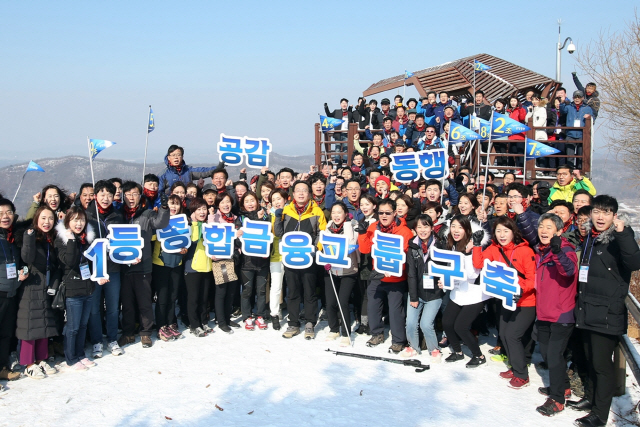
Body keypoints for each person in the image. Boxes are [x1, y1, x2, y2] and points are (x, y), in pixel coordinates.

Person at [569, 195, 640, 426]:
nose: (600, 216)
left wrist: (623, 233)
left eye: (606, 212)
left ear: (614, 216)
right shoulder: (591, 236)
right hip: (587, 308)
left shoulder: (618, 238)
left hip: (607, 312)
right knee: (590, 360)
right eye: (597, 211)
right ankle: (590, 399)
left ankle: (600, 414)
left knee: (602, 365)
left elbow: (634, 262)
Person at [472, 217, 536, 387]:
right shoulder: (494, 249)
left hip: (525, 302)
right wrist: (477, 245)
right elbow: (478, 263)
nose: (502, 235)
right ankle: (515, 367)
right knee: (504, 334)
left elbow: (532, 279)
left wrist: (521, 290)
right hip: (505, 299)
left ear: (513, 232)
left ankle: (522, 374)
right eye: (498, 231)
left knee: (512, 335)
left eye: (506, 231)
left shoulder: (525, 251)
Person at [533, 213, 579, 417]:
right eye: (541, 226)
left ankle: (558, 399)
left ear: (559, 232)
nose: (543, 230)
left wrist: (558, 251)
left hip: (561, 313)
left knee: (554, 354)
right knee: (546, 353)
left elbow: (568, 271)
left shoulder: (565, 250)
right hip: (543, 311)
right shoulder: (540, 252)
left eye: (549, 227)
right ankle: (564, 386)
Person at [117, 181, 170, 349]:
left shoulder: (146, 214)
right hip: (124, 267)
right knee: (127, 303)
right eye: (128, 194)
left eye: (135, 194)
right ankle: (128, 332)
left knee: (144, 302)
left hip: (143, 266)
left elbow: (161, 223)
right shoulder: (119, 215)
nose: (131, 198)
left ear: (141, 196)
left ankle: (146, 332)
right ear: (123, 196)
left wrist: (164, 208)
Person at [357, 199, 413, 353]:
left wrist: (394, 269)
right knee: (373, 306)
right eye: (380, 213)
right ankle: (376, 333)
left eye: (387, 213)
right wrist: (362, 234)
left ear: (395, 213)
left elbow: (406, 257)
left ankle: (398, 340)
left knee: (395, 311)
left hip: (396, 278)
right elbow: (365, 249)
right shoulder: (373, 227)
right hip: (377, 275)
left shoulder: (404, 231)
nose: (383, 215)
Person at [274, 180, 327, 339]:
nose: (301, 193)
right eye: (298, 190)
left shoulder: (317, 211)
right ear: (293, 194)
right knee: (293, 292)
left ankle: (310, 323)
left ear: (309, 194)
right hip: (290, 259)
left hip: (308, 259)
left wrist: (315, 249)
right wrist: (277, 217)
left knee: (310, 292)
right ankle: (293, 323)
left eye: (304, 190)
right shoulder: (286, 210)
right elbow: (279, 233)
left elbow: (322, 234)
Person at [16, 206, 60, 379]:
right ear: (36, 219)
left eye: (50, 218)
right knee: (29, 325)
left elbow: (56, 265)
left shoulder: (50, 239)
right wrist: (28, 237)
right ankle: (28, 363)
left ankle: (41, 358)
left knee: (44, 324)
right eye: (43, 218)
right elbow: (27, 257)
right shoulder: (31, 236)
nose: (46, 222)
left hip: (46, 286)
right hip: (31, 286)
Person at [440, 215, 490, 367]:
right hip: (457, 292)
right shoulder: (452, 245)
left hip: (474, 294)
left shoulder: (473, 246)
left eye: (460, 227)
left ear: (467, 229)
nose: (456, 230)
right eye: (453, 226)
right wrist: (446, 279)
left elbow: (472, 275)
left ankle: (478, 356)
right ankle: (457, 351)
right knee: (447, 323)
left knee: (460, 327)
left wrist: (450, 279)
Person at [85, 180, 125, 357]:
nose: (106, 198)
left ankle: (112, 338)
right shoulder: (87, 216)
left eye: (109, 194)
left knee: (113, 306)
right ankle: (96, 341)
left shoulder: (117, 215)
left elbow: (124, 241)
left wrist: (130, 255)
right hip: (94, 268)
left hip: (113, 268)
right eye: (102, 194)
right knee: (94, 307)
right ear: (95, 196)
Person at [55, 206, 97, 371]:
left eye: (81, 220)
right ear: (68, 222)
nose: (78, 223)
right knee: (72, 326)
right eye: (74, 220)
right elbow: (70, 262)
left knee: (83, 325)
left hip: (88, 287)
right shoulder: (62, 240)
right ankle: (71, 358)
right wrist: (71, 240)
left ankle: (80, 354)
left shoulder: (87, 239)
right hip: (72, 289)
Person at [403, 215, 443, 361]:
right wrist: (413, 297)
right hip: (417, 292)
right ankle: (414, 347)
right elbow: (411, 274)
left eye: (425, 226)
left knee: (426, 324)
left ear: (432, 228)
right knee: (411, 323)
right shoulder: (412, 246)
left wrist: (443, 283)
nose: (422, 230)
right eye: (419, 227)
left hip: (434, 294)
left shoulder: (440, 245)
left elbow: (446, 268)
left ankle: (434, 349)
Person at [322, 202, 359, 347]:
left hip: (348, 270)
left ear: (345, 213)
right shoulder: (328, 227)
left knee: (343, 301)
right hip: (332, 269)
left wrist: (347, 225)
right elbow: (325, 245)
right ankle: (334, 328)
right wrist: (325, 257)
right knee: (330, 302)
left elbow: (351, 243)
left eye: (339, 212)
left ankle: (346, 332)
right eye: (334, 212)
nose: (336, 216)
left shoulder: (352, 226)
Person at [152, 195, 187, 342]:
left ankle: (171, 322)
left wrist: (185, 248)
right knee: (163, 296)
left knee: (173, 296)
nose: (174, 207)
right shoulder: (159, 220)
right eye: (171, 204)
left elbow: (186, 240)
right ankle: (161, 325)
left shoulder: (183, 222)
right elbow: (152, 237)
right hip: (161, 263)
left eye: (177, 204)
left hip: (176, 263)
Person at [0, 199, 27, 381]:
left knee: (6, 334)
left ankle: (2, 367)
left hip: (12, 293)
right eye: (1, 213)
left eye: (9, 212)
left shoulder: (13, 238)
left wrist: (22, 273)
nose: (5, 217)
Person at [235, 192, 270, 331]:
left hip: (262, 261)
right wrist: (237, 236)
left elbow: (268, 236)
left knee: (261, 290)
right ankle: (247, 316)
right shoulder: (240, 218)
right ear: (243, 204)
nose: (250, 203)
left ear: (258, 202)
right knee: (247, 290)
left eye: (252, 200)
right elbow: (237, 241)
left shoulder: (266, 216)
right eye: (247, 201)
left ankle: (260, 315)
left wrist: (267, 251)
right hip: (246, 262)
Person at [183, 198, 214, 337]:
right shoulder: (190, 226)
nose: (202, 212)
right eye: (199, 209)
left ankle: (203, 321)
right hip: (192, 268)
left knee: (204, 297)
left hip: (207, 267)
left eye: (204, 209)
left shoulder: (209, 225)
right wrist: (195, 224)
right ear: (193, 211)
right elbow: (192, 241)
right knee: (193, 298)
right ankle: (194, 324)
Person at [210, 193, 240, 334]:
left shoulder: (234, 218)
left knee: (231, 291)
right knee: (221, 291)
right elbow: (212, 235)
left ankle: (227, 318)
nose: (226, 205)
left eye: (228, 202)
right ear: (217, 205)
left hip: (234, 258)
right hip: (220, 258)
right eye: (222, 202)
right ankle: (220, 320)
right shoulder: (215, 217)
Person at [158, 144, 223, 194]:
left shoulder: (188, 170)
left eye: (178, 155)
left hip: (188, 203)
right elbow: (159, 192)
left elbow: (203, 171)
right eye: (173, 155)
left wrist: (218, 167)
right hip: (172, 205)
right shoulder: (163, 174)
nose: (176, 157)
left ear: (182, 157)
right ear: (168, 157)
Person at [268, 189, 288, 331]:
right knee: (276, 286)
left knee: (293, 286)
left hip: (291, 255)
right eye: (273, 199)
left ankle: (293, 314)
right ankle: (274, 314)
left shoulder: (291, 214)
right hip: (275, 256)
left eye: (279, 198)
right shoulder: (268, 216)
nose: (276, 202)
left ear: (285, 199)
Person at [559, 91, 593, 170]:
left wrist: (589, 117)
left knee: (581, 155)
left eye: (579, 97)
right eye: (575, 97)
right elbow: (562, 111)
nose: (577, 99)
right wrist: (562, 102)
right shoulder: (569, 106)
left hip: (582, 134)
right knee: (570, 156)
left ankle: (579, 170)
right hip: (570, 134)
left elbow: (593, 119)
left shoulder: (587, 108)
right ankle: (570, 170)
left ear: (582, 98)